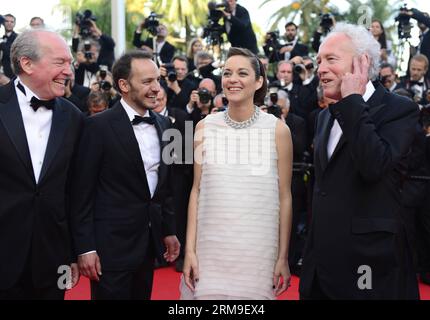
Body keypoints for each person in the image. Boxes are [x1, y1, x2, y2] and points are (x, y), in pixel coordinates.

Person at [299, 23, 420, 300]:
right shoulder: (324, 117)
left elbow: (373, 166)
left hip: (371, 268)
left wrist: (353, 100)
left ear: (362, 63)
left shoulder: (400, 110)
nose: (320, 68)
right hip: (322, 270)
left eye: (331, 59)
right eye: (319, 61)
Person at [181, 47, 293, 300]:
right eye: (227, 73)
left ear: (259, 81)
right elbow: (196, 191)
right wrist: (190, 250)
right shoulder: (204, 127)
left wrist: (283, 257)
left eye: (242, 73)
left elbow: (285, 196)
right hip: (210, 250)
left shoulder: (278, 131)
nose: (233, 79)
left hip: (258, 251)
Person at [70, 50, 180, 300]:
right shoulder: (96, 127)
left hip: (148, 246)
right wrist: (85, 247)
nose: (156, 88)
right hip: (109, 249)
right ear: (123, 85)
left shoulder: (166, 126)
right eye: (147, 82)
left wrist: (169, 230)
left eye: (157, 80)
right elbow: (81, 193)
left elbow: (166, 187)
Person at [0, 29, 83, 299]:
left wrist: (75, 251)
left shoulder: (74, 118)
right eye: (60, 62)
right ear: (27, 64)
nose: (68, 71)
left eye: (69, 63)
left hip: (53, 257)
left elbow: (76, 191)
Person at [0, 14, 18, 78]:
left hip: (12, 75)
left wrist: (2, 44)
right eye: (7, 21)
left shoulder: (18, 38)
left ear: (14, 24)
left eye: (12, 22)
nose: (9, 23)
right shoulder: (2, 38)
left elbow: (14, 54)